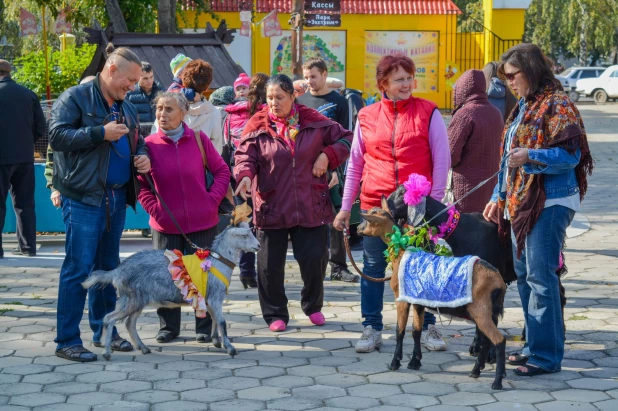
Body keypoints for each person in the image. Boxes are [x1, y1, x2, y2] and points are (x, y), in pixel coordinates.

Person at [483, 43, 593, 377]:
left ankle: (546, 356)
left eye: (513, 75)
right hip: (521, 203)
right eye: (506, 77)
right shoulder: (524, 106)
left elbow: (571, 157)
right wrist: (496, 195)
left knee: (541, 277)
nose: (509, 82)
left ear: (530, 70)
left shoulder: (557, 104)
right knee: (527, 275)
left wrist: (532, 155)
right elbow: (507, 158)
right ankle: (535, 345)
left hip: (550, 201)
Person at [334, 54, 451, 353]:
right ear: (383, 82)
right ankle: (371, 327)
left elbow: (442, 160)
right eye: (399, 79)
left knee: (424, 267)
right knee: (373, 266)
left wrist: (434, 203)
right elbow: (355, 165)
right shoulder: (367, 116)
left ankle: (427, 327)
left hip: (418, 208)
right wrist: (346, 207)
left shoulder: (429, 111)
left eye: (410, 78)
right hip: (377, 208)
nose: (407, 84)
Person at [48, 44, 150, 362]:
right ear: (111, 70)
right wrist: (98, 133)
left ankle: (104, 331)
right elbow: (56, 136)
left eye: (136, 82)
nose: (133, 87)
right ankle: (67, 340)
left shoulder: (126, 105)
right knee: (78, 269)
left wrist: (142, 154)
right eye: (129, 80)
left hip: (115, 199)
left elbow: (138, 138)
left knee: (107, 270)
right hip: (83, 199)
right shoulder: (75, 97)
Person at [234, 74, 353, 332]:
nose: (274, 103)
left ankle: (312, 305)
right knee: (269, 266)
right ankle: (275, 313)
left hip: (310, 203)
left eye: (279, 97)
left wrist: (327, 155)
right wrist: (244, 177)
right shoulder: (257, 124)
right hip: (271, 204)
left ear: (292, 96)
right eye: (269, 98)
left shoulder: (315, 121)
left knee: (315, 258)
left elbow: (346, 139)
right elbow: (245, 156)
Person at [137, 92, 230, 343]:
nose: (161, 114)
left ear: (183, 113)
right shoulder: (149, 145)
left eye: (168, 109)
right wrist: (155, 209)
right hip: (165, 225)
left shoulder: (199, 140)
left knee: (200, 275)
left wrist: (211, 201)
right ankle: (168, 327)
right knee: (167, 277)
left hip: (202, 223)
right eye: (159, 109)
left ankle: (204, 327)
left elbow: (222, 171)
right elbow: (141, 185)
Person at [297, 57, 358, 283]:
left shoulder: (340, 102)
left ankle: (338, 265)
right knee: (310, 219)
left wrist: (336, 170)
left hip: (333, 170)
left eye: (313, 76)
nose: (310, 81)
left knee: (336, 217)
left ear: (324, 74)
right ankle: (313, 266)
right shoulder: (300, 101)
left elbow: (346, 139)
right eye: (306, 77)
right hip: (305, 169)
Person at [222, 72, 270, 288]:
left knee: (245, 221)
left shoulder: (230, 116)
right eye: (239, 88)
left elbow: (225, 147)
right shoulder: (262, 115)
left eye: (244, 88)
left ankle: (247, 271)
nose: (241, 92)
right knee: (258, 223)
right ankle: (254, 272)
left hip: (239, 174)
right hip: (257, 175)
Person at [0, 59, 46, 258]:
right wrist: (26, 143)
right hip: (25, 157)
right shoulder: (29, 95)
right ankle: (28, 248)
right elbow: (41, 128)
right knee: (25, 203)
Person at [447, 69, 504, 213]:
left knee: (465, 233)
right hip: (491, 188)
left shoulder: (464, 114)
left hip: (466, 191)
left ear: (461, 89)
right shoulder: (496, 112)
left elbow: (450, 156)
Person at [46, 76, 97, 209]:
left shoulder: (106, 117)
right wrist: (54, 188)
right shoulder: (65, 121)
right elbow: (52, 160)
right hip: (73, 195)